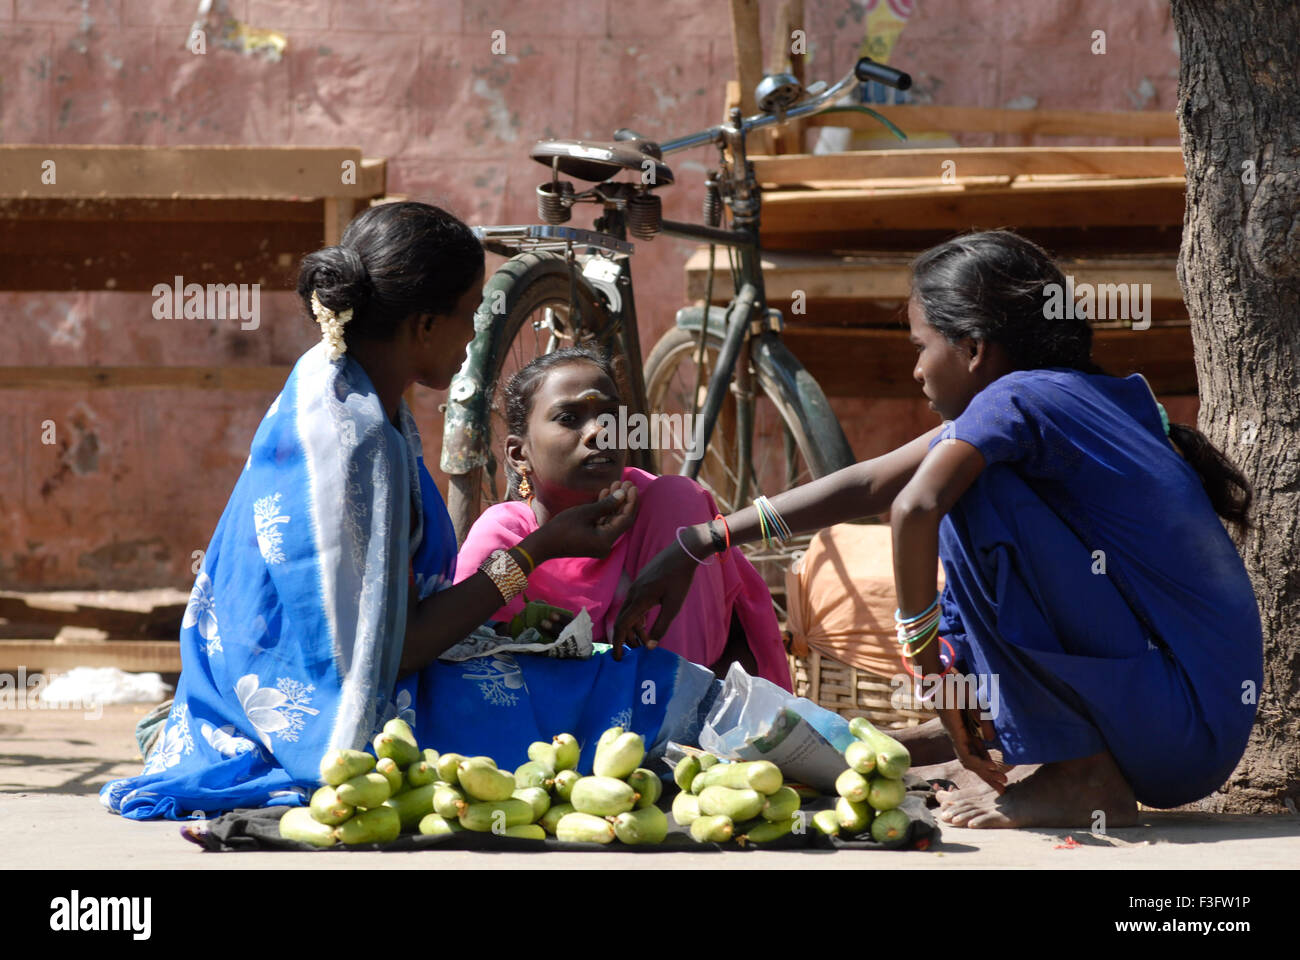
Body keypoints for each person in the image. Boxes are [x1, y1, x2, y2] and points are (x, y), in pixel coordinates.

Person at [612, 230, 1262, 829]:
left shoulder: (1020, 400)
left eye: (922, 347)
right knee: (972, 486)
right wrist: (700, 541)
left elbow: (915, 506)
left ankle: (1081, 777)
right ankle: (1035, 753)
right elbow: (868, 483)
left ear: (974, 350)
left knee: (968, 494)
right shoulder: (1064, 398)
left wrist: (930, 668)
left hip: (1175, 721)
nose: (917, 370)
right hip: (1195, 730)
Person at [100, 202, 712, 821]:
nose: (476, 334)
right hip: (322, 705)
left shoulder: (338, 384)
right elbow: (396, 652)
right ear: (423, 325)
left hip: (250, 666)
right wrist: (539, 551)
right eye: (470, 312)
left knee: (573, 678)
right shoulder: (357, 440)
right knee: (581, 697)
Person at [453, 346, 792, 690]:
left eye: (611, 416)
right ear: (518, 453)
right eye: (568, 418)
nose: (599, 432)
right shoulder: (503, 537)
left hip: (672, 720)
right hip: (547, 730)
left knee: (677, 495)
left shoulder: (668, 509)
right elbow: (460, 645)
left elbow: (739, 640)